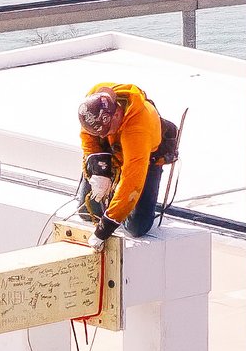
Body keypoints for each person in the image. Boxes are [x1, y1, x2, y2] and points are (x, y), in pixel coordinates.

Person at [76, 84, 179, 242]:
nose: (104, 134)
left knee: (136, 227)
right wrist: (99, 171)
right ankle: (114, 199)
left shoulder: (138, 128)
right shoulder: (93, 102)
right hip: (113, 148)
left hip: (145, 157)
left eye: (107, 131)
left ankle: (122, 204)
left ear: (117, 114)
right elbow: (88, 136)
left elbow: (132, 182)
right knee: (87, 211)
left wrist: (105, 228)